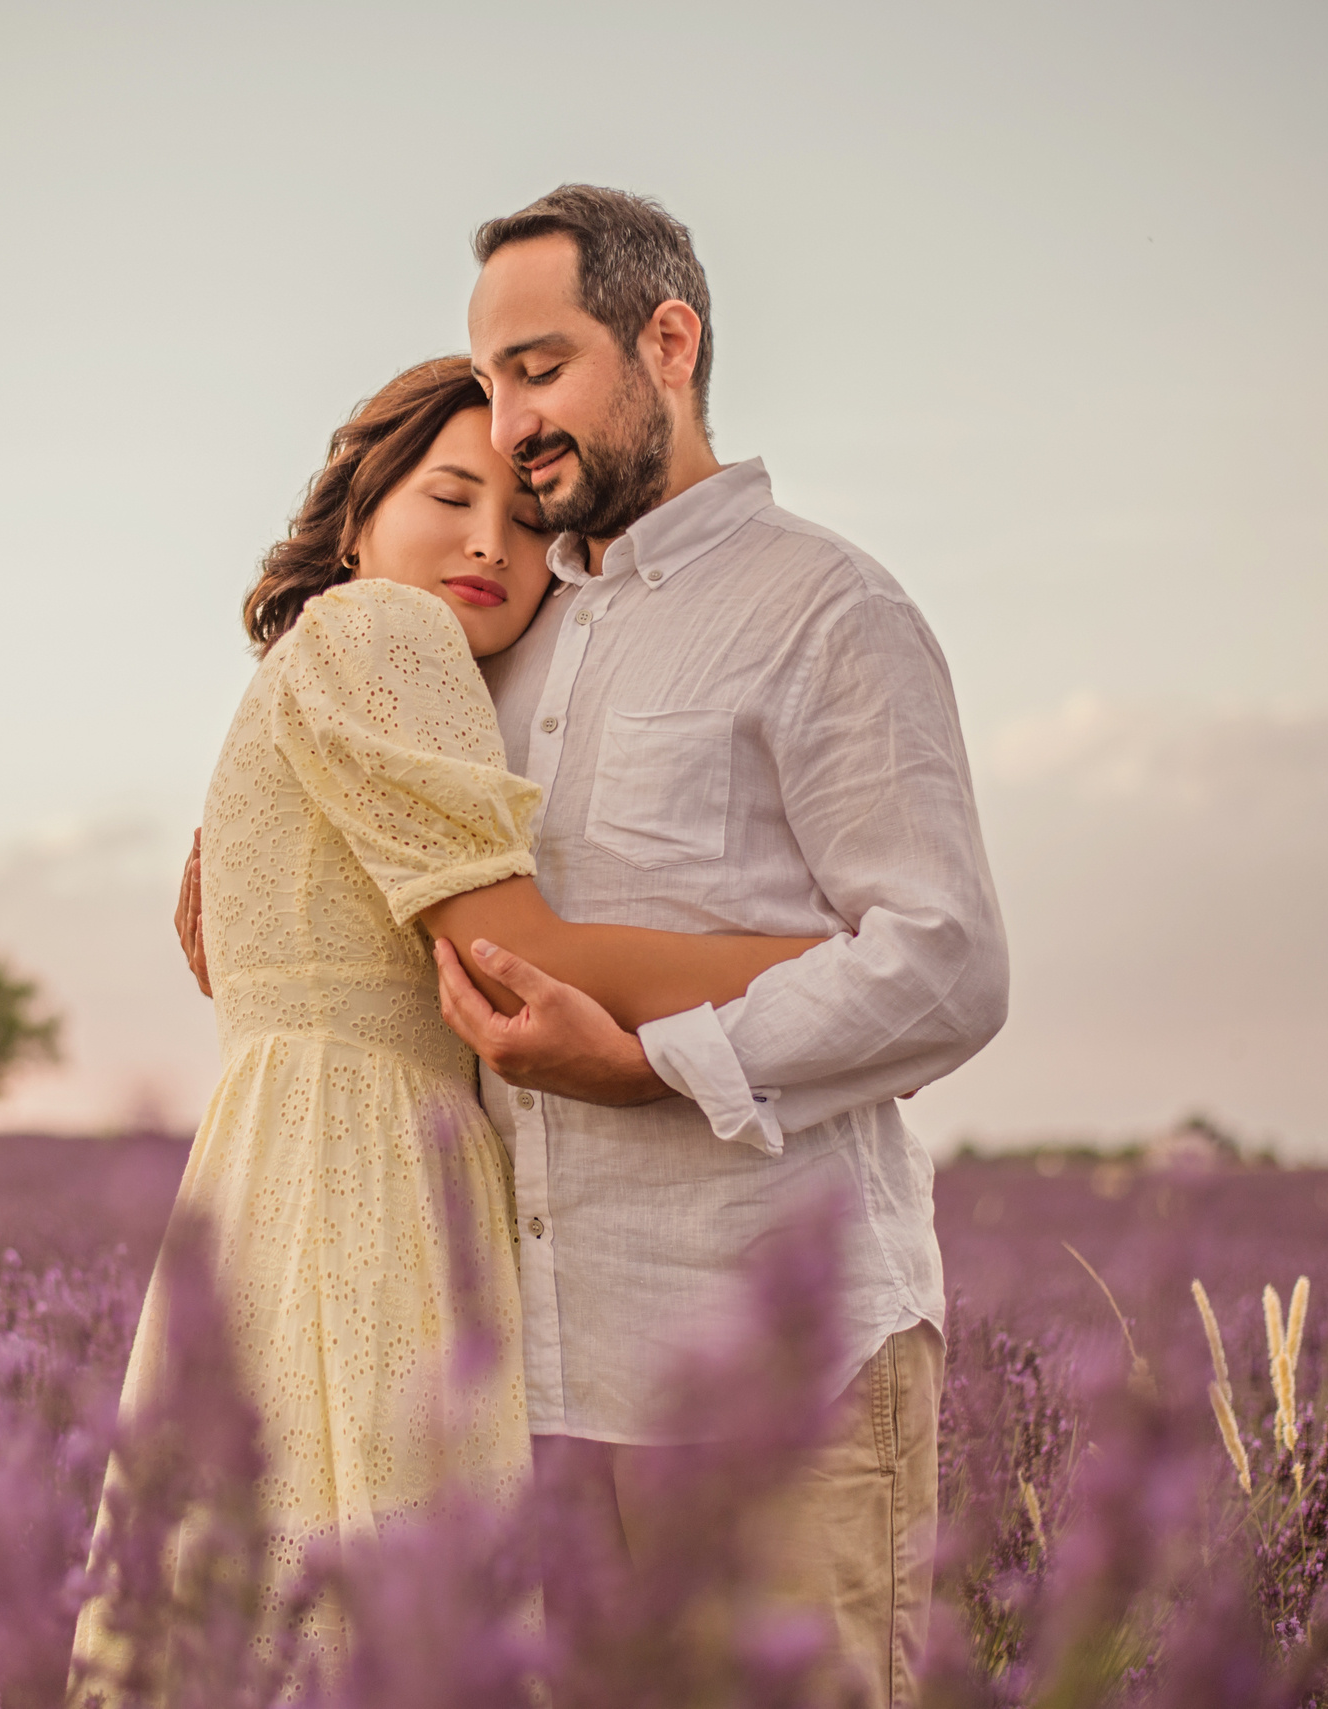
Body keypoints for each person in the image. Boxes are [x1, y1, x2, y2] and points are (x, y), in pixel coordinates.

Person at [72, 354, 824, 1700]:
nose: (492, 539)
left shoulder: (330, 658)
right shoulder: (384, 635)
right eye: (450, 494)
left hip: (265, 1186)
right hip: (369, 1194)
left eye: (533, 520)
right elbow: (513, 952)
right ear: (357, 516)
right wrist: (827, 957)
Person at [428, 186, 1007, 1709]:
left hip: (785, 1372)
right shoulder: (507, 635)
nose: (507, 424)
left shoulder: (827, 608)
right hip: (557, 1384)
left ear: (667, 339)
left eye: (540, 368)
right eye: (489, 381)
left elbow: (944, 958)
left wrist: (654, 1065)